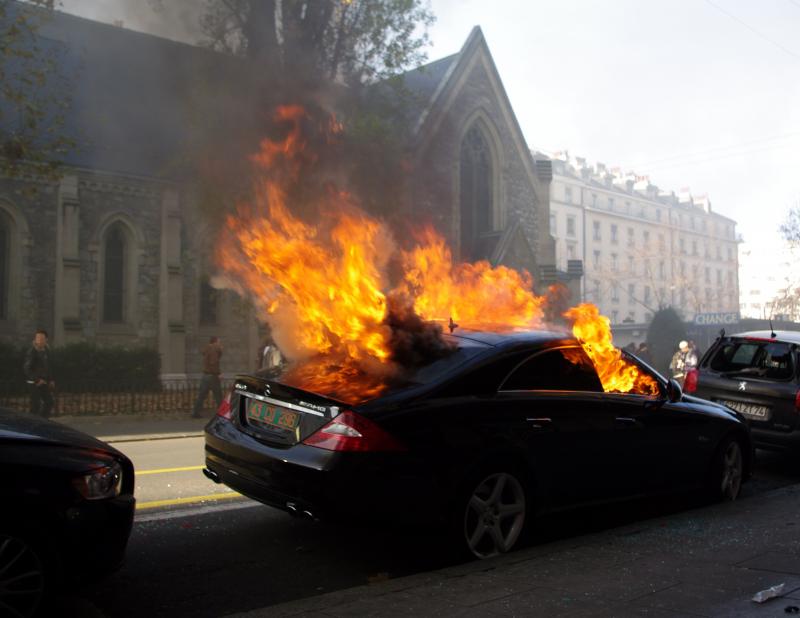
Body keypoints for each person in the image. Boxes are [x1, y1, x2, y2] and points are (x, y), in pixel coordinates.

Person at [24, 329, 55, 418]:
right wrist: (37, 379)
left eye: (42, 339)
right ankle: (32, 424)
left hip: (43, 381)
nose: (39, 340)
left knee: (49, 402)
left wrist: (51, 379)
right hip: (34, 382)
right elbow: (27, 368)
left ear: (46, 340)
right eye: (38, 338)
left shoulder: (46, 351)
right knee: (35, 405)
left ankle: (43, 421)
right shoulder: (32, 351)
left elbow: (48, 367)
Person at [192, 336, 223, 418]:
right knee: (218, 395)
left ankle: (195, 412)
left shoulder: (207, 349)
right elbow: (214, 362)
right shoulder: (214, 349)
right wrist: (218, 373)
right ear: (215, 342)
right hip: (212, 376)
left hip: (205, 375)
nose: (220, 344)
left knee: (201, 395)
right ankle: (223, 413)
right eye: (219, 342)